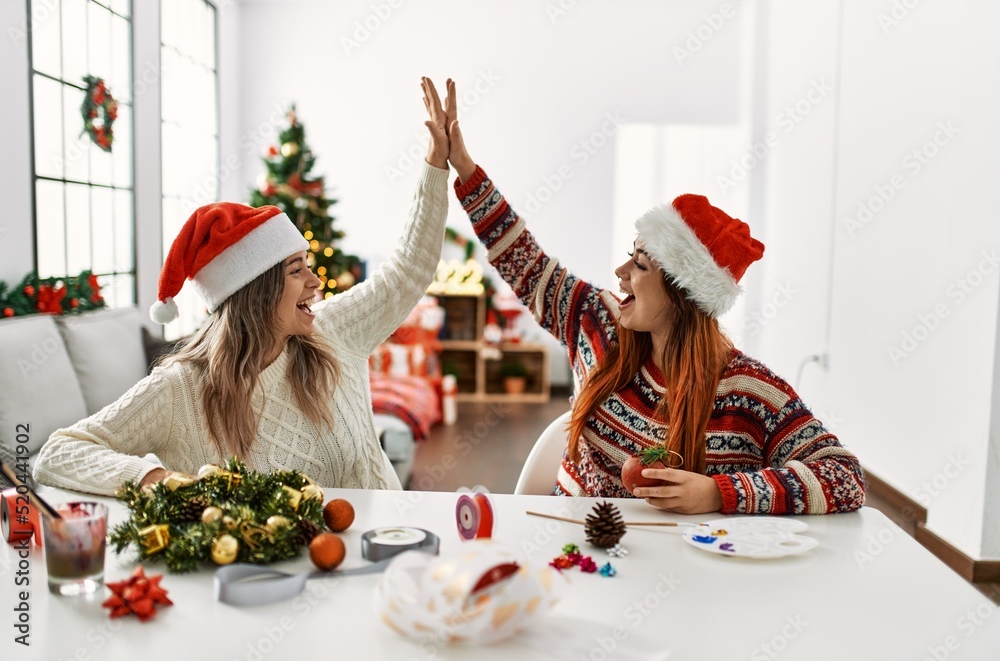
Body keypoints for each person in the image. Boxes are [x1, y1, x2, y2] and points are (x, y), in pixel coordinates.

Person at [442, 79, 865, 515]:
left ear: (683, 297)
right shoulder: (599, 323)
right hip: (570, 553)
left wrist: (718, 492)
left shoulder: (748, 393)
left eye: (640, 266)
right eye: (631, 256)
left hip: (677, 570)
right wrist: (465, 167)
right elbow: (525, 262)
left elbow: (844, 477)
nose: (621, 274)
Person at [33, 78, 453, 496]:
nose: (314, 281)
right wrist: (156, 479)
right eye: (295, 271)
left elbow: (408, 270)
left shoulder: (335, 330)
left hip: (386, 547)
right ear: (256, 293)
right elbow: (59, 453)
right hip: (266, 565)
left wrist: (436, 162)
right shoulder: (181, 389)